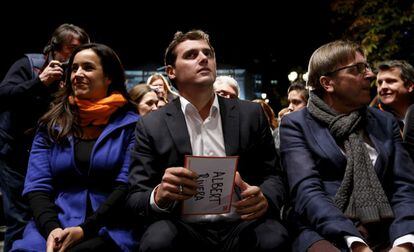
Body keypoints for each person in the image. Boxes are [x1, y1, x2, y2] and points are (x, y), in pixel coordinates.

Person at [126, 30, 289, 252]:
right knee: (157, 241)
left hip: (242, 222)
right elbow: (136, 196)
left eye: (208, 53)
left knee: (274, 238)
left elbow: (274, 175)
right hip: (181, 225)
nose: (204, 58)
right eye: (191, 55)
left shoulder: (250, 114)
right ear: (171, 72)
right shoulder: (151, 125)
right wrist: (159, 195)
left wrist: (265, 197)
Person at [280, 40, 414, 252]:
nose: (370, 75)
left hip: (388, 228)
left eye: (367, 67)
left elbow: (404, 186)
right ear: (327, 83)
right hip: (325, 231)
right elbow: (307, 192)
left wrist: (404, 242)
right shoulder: (296, 125)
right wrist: (356, 244)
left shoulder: (384, 122)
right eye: (358, 69)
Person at [11, 43, 139, 252]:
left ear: (109, 77)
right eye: (74, 68)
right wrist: (52, 229)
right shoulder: (51, 125)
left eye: (87, 68)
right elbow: (37, 185)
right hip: (54, 221)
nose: (77, 74)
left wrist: (84, 229)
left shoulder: (132, 125)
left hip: (111, 224)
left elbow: (125, 186)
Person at [0, 23, 90, 251]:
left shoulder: (76, 73)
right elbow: (4, 95)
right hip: (17, 155)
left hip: (52, 154)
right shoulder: (29, 65)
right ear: (55, 48)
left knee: (47, 215)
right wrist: (40, 82)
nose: (77, 54)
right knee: (19, 218)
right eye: (72, 48)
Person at [376, 60, 414, 131]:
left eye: (390, 81)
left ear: (409, 86)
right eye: (380, 83)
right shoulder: (374, 120)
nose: (383, 87)